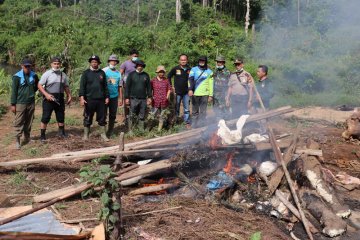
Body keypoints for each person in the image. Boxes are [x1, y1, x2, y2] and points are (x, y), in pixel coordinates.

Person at [37, 57, 72, 142]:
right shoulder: (47, 74)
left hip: (59, 98)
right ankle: (42, 135)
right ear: (51, 64)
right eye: (55, 64)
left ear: (60, 64)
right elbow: (39, 85)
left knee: (61, 116)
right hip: (48, 99)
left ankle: (62, 132)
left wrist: (69, 95)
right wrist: (46, 95)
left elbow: (66, 86)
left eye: (58, 64)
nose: (56, 65)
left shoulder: (63, 75)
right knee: (46, 117)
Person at [79, 55, 109, 141]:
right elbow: (82, 86)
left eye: (96, 62)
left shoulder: (102, 73)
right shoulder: (86, 73)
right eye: (92, 62)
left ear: (98, 63)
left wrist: (107, 97)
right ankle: (86, 135)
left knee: (102, 117)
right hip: (89, 99)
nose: (94, 63)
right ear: (90, 63)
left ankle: (103, 135)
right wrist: (82, 97)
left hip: (101, 99)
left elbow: (105, 86)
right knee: (87, 117)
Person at [10, 59, 39, 149]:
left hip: (31, 102)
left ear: (31, 66)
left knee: (29, 120)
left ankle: (27, 137)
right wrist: (13, 104)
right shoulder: (16, 77)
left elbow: (37, 87)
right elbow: (14, 91)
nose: (27, 68)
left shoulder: (34, 75)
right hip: (20, 103)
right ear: (22, 66)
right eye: (25, 66)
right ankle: (18, 140)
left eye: (29, 66)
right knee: (19, 121)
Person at [124, 60, 152, 132]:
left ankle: (141, 129)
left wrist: (149, 97)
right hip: (133, 98)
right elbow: (127, 87)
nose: (140, 67)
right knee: (132, 114)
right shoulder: (131, 74)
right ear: (136, 66)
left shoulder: (146, 75)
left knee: (142, 114)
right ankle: (131, 130)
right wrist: (127, 97)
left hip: (143, 98)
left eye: (141, 66)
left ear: (143, 67)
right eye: (139, 65)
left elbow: (149, 87)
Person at [188, 56, 213, 128]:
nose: (201, 62)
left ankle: (202, 126)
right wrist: (190, 89)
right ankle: (194, 126)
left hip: (205, 94)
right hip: (195, 94)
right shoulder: (193, 69)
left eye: (203, 61)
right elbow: (190, 80)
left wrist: (211, 95)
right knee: (195, 112)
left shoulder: (210, 72)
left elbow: (211, 84)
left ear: (205, 62)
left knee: (203, 112)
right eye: (200, 60)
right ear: (198, 61)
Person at [167, 54, 191, 129]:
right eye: (182, 60)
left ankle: (187, 122)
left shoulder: (189, 69)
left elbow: (192, 79)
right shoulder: (175, 69)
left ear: (187, 60)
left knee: (186, 109)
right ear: (179, 61)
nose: (183, 61)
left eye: (184, 60)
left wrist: (191, 89)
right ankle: (176, 122)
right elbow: (168, 76)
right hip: (177, 92)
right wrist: (171, 87)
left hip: (186, 92)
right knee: (176, 108)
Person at [102, 54, 122, 137]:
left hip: (114, 97)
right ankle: (103, 132)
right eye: (112, 61)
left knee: (113, 114)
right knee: (103, 114)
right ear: (109, 62)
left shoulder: (118, 73)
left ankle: (110, 131)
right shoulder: (104, 71)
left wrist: (120, 98)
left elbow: (120, 86)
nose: (113, 63)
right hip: (105, 97)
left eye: (115, 61)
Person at [120, 49, 139, 124]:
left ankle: (134, 117)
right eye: (134, 56)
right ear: (130, 56)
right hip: (127, 86)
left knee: (136, 101)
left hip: (136, 86)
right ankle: (127, 118)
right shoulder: (125, 63)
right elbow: (120, 74)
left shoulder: (138, 63)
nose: (135, 57)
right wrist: (121, 83)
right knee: (127, 102)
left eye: (137, 56)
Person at [151, 66, 171, 131]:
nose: (162, 74)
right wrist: (151, 97)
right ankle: (149, 127)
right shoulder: (153, 80)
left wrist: (167, 96)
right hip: (155, 101)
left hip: (164, 101)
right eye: (160, 72)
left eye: (163, 72)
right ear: (157, 72)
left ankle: (159, 129)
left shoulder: (166, 80)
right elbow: (150, 89)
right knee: (152, 115)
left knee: (162, 116)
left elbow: (169, 89)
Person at [213, 55, 231, 120]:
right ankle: (219, 123)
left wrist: (227, 96)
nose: (218, 63)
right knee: (216, 109)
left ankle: (227, 123)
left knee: (224, 109)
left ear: (223, 63)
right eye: (217, 62)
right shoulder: (216, 71)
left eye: (220, 62)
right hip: (215, 94)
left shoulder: (227, 72)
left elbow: (229, 85)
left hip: (223, 94)